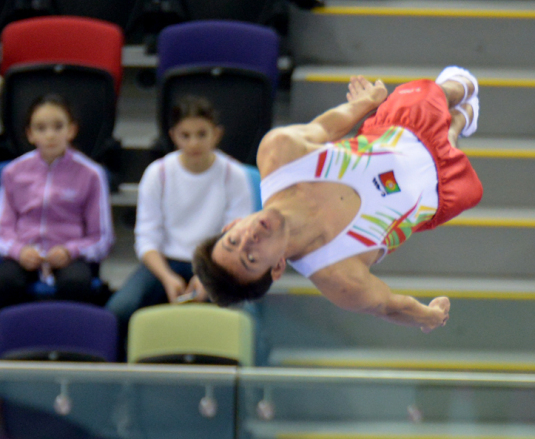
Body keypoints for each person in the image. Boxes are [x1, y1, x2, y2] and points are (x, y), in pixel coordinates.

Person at [193, 67, 483, 333]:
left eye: (233, 240)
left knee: (450, 89)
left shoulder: (278, 154)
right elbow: (390, 305)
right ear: (277, 268)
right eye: (251, 258)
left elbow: (327, 127)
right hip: (437, 188)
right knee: (452, 139)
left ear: (232, 224)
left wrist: (368, 101)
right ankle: (457, 125)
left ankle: (456, 96)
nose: (249, 239)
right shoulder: (340, 279)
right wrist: (429, 316)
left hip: (399, 127)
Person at [106, 96, 253, 345]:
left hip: (216, 262)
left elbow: (236, 237)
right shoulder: (158, 173)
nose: (194, 142)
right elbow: (146, 238)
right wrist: (166, 276)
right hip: (166, 262)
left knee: (246, 318)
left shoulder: (234, 175)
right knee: (118, 310)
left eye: (201, 134)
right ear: (173, 136)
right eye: (185, 135)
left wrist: (209, 277)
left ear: (216, 134)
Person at [0, 94, 114, 308]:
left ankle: (69, 339)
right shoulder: (13, 172)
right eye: (41, 128)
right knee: (5, 281)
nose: (50, 135)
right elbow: (2, 230)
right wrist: (18, 251)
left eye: (58, 127)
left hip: (69, 254)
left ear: (71, 130)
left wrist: (70, 251)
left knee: (76, 283)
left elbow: (102, 238)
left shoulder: (91, 174)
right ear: (30, 134)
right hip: (24, 252)